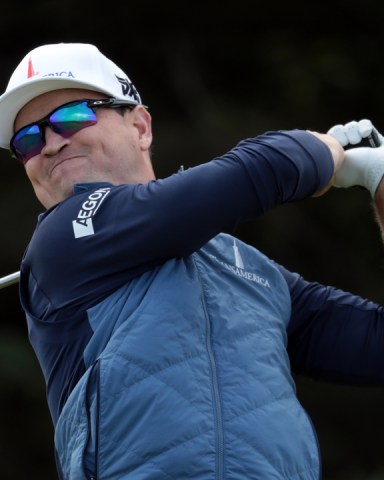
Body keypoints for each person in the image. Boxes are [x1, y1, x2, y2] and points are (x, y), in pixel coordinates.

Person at [0, 42, 383, 480]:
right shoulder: (63, 238)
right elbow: (262, 171)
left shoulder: (249, 270)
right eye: (27, 140)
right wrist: (327, 149)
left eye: (70, 117)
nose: (49, 144)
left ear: (141, 127)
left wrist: (379, 177)